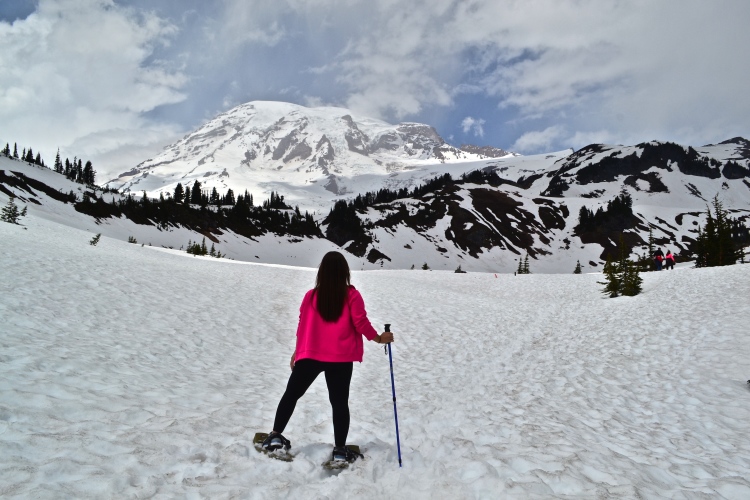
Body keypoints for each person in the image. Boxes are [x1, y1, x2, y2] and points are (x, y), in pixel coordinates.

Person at [261, 251, 394, 463]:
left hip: (310, 355)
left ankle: (276, 436)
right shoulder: (352, 295)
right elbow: (360, 323)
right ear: (345, 272)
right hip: (340, 359)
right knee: (339, 403)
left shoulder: (311, 296)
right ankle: (340, 450)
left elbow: (302, 325)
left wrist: (299, 350)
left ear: (322, 272)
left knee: (292, 394)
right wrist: (379, 338)